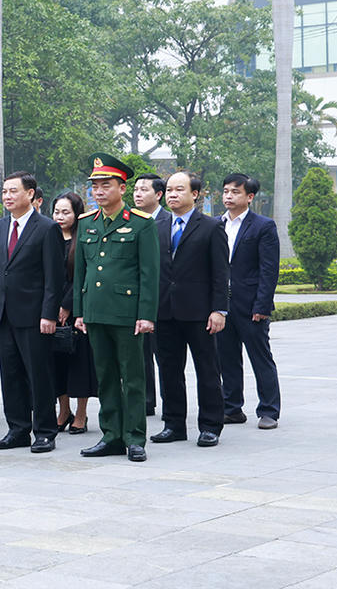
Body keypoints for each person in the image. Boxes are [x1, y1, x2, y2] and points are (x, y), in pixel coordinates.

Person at [73, 153, 159, 463]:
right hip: (96, 312)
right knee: (105, 376)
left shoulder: (141, 224)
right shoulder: (87, 223)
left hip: (126, 313)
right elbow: (81, 272)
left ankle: (134, 438)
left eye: (105, 185)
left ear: (122, 188)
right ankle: (111, 436)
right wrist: (80, 311)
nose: (98, 191)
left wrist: (146, 315)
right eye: (94, 186)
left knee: (132, 378)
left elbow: (149, 274)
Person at [0, 172, 64, 453]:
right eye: (4, 191)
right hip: (3, 314)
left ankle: (45, 431)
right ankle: (17, 429)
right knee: (11, 374)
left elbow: (54, 277)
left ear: (30, 194)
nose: (7, 196)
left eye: (13, 191)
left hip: (34, 315)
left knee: (39, 375)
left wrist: (49, 314)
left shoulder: (46, 228)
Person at [152, 172, 229, 448]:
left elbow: (221, 273)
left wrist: (219, 310)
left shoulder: (211, 227)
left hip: (199, 313)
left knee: (207, 370)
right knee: (169, 371)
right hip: (164, 311)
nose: (172, 195)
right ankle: (173, 424)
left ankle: (210, 426)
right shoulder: (156, 226)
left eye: (179, 189)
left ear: (194, 194)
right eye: (169, 190)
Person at [215, 173, 280, 430]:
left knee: (260, 358)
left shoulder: (263, 226)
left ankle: (269, 411)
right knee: (227, 358)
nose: (228, 196)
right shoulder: (215, 224)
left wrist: (262, 305)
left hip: (251, 305)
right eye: (226, 191)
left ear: (249, 197)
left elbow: (269, 270)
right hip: (222, 305)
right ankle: (232, 408)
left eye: (235, 192)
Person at [51, 192, 98, 435]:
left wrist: (68, 304)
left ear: (77, 214)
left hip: (78, 310)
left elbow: (85, 275)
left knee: (80, 365)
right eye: (56, 212)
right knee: (56, 364)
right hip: (50, 309)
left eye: (65, 212)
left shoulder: (84, 239)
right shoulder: (49, 237)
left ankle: (81, 413)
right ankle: (63, 410)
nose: (60, 217)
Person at [134, 173, 167, 417]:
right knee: (140, 353)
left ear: (158, 194)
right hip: (137, 299)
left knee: (165, 356)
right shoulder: (131, 221)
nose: (138, 194)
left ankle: (170, 402)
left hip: (164, 299)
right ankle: (146, 400)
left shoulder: (168, 221)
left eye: (144, 189)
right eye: (135, 189)